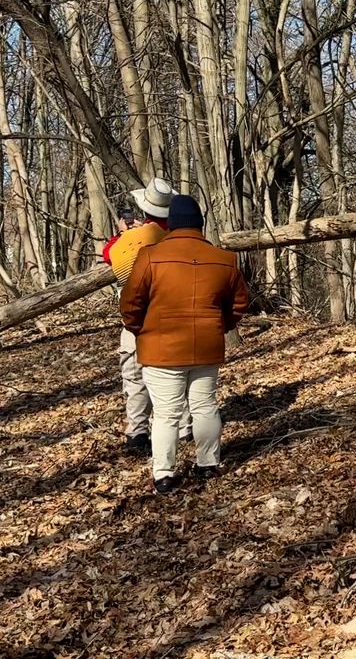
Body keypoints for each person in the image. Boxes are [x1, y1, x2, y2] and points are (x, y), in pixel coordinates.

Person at [119, 195, 248, 494]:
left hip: (160, 349)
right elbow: (239, 304)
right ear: (199, 223)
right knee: (205, 407)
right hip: (206, 347)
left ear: (171, 223)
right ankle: (208, 464)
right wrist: (218, 326)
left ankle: (164, 475)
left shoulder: (150, 256)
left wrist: (142, 330)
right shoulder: (224, 259)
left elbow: (130, 304)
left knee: (166, 413)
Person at [102, 178, 177, 456]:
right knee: (172, 374)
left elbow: (109, 254)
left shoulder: (135, 238)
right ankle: (181, 427)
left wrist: (123, 234)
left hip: (137, 316)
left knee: (134, 376)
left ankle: (138, 432)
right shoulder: (178, 235)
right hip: (171, 314)